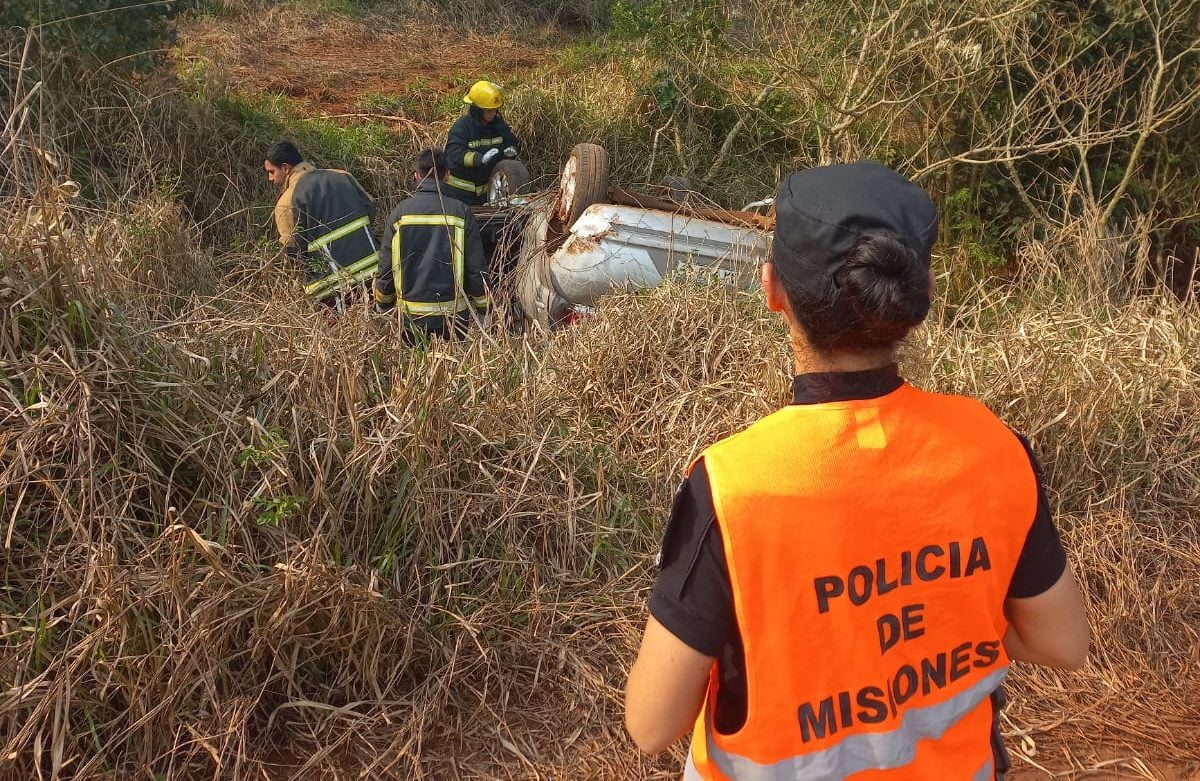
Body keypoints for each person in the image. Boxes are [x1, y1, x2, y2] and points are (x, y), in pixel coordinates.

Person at [623, 161, 1090, 780]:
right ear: (919, 294)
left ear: (772, 289)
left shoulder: (736, 486)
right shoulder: (993, 448)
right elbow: (1063, 644)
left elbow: (651, 724)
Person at [373, 147, 490, 341]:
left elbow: (386, 265)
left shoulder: (399, 214)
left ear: (416, 176)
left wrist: (383, 303)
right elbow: (476, 267)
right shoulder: (461, 212)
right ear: (448, 176)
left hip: (410, 319)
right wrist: (484, 309)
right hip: (453, 319)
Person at [265, 140, 378, 310]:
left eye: (272, 172)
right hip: (373, 273)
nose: (270, 178)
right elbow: (370, 208)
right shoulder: (342, 176)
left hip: (333, 290)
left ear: (286, 168)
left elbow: (292, 251)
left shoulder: (287, 202)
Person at [444, 80, 521, 206]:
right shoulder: (461, 128)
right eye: (490, 111)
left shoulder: (498, 126)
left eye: (496, 110)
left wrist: (511, 148)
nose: (494, 113)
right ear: (478, 110)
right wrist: (479, 159)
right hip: (460, 194)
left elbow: (510, 141)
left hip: (487, 194)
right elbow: (454, 154)